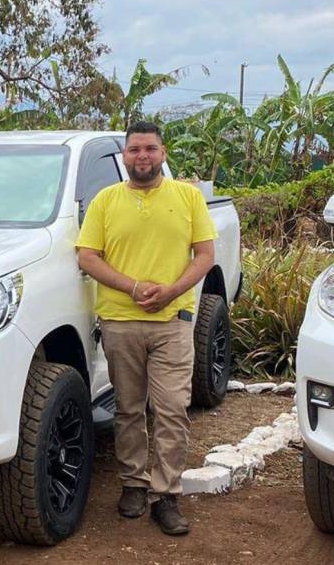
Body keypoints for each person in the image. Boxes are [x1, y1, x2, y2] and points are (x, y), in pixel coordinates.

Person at [76, 121, 217, 535]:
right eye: (135, 149)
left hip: (172, 322)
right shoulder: (105, 201)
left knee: (172, 409)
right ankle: (133, 484)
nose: (143, 156)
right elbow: (88, 257)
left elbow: (205, 254)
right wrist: (133, 287)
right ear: (124, 155)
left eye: (150, 149)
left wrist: (171, 290)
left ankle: (166, 494)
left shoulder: (188, 197)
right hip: (120, 321)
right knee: (128, 409)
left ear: (163, 152)